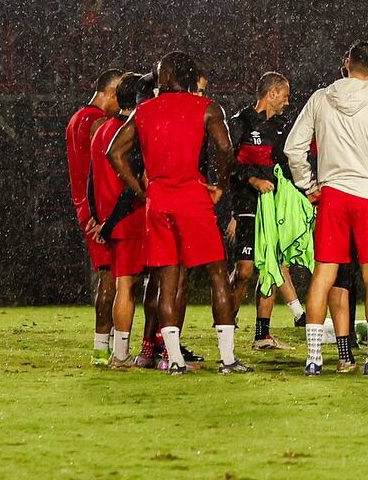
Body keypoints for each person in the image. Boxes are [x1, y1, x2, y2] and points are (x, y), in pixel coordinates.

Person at [284, 40, 368, 377]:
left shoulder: (320, 98)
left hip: (333, 197)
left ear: (347, 64)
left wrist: (310, 186)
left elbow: (293, 148)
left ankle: (314, 359)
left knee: (323, 277)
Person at [107, 52, 244, 374]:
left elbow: (114, 152)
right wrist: (220, 185)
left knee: (167, 280)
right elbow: (225, 149)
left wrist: (144, 191)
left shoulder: (145, 110)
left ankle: (175, 361)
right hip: (193, 198)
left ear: (167, 75)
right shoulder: (207, 107)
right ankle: (227, 359)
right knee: (217, 275)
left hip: (160, 202)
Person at [226, 71, 308, 348]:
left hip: (273, 208)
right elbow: (229, 165)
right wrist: (252, 179)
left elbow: (288, 167)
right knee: (245, 271)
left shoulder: (284, 128)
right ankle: (226, 322)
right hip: (247, 204)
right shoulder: (239, 123)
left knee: (271, 267)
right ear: (271, 93)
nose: (287, 102)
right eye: (285, 96)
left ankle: (262, 334)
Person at [87, 74, 147, 368]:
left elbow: (90, 179)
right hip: (127, 219)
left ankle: (102, 347)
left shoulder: (100, 130)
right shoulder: (129, 134)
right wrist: (110, 223)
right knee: (127, 289)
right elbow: (129, 186)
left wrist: (97, 219)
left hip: (107, 220)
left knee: (108, 284)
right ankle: (121, 354)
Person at [65, 70, 123, 363]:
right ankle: (103, 348)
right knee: (112, 278)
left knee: (110, 277)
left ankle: (108, 344)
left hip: (87, 205)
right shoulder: (94, 120)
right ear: (111, 94)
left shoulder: (76, 117)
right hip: (99, 207)